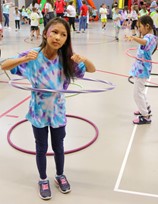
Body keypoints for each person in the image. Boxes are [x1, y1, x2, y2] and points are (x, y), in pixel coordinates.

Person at [1, 17, 96, 200]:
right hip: (38, 112)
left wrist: (82, 59)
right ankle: (43, 179)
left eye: (63, 35)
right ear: (45, 33)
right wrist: (23, 59)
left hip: (58, 112)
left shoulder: (67, 58)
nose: (57, 37)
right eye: (54, 32)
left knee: (59, 146)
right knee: (41, 147)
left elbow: (91, 70)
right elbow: (4, 65)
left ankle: (60, 176)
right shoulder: (33, 55)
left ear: (66, 39)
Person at [125, 15, 158, 125]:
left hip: (142, 69)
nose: (139, 29)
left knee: (136, 93)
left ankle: (145, 116)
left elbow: (145, 42)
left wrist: (134, 38)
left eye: (140, 26)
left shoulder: (149, 37)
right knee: (140, 91)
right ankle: (145, 107)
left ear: (147, 26)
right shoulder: (149, 36)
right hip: (140, 68)